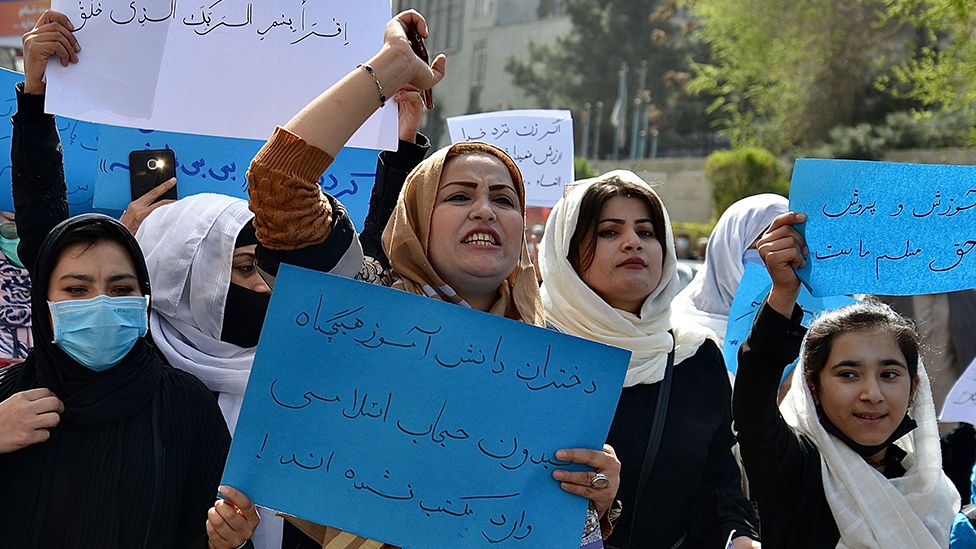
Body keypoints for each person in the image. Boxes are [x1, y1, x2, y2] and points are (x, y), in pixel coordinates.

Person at [240, 10, 622, 547]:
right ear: (417, 220)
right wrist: (390, 68)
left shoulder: (552, 368)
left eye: (504, 199)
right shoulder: (360, 310)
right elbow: (280, 179)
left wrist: (597, 501)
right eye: (460, 196)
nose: (485, 211)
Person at [538, 170, 760, 548]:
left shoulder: (694, 357)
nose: (632, 243)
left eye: (646, 232)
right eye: (609, 232)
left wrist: (738, 538)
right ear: (566, 253)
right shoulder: (529, 350)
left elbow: (717, 486)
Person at [733, 211, 960, 547]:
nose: (872, 393)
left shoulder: (926, 485)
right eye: (848, 374)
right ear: (813, 387)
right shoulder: (798, 468)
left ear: (913, 389)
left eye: (889, 374)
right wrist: (783, 292)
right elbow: (753, 405)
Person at [672, 194, 788, 344]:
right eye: (766, 245)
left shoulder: (803, 331)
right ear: (728, 250)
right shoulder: (673, 332)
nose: (776, 262)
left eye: (787, 247)